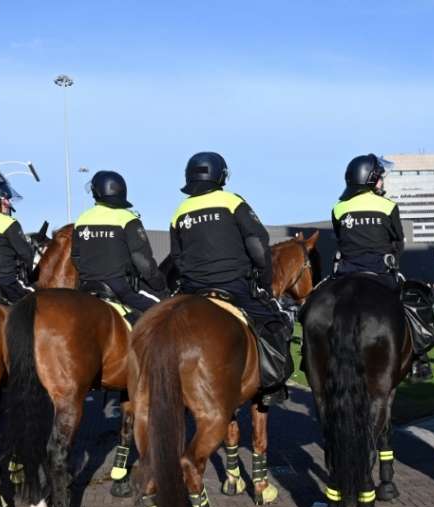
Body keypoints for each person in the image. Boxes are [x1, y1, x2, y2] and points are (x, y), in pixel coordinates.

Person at [169, 151, 292, 405]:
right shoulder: (232, 202)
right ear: (221, 174)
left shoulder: (180, 211)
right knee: (275, 323)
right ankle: (272, 386)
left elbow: (177, 257)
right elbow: (259, 243)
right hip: (234, 285)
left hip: (192, 289)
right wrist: (264, 281)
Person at [331, 153, 434, 382]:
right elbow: (399, 241)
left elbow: (341, 239)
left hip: (344, 275)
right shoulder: (388, 206)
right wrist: (393, 260)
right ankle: (419, 359)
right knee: (410, 308)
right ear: (371, 179)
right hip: (381, 273)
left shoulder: (339, 208)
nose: (382, 182)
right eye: (380, 178)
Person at [72, 170, 168, 322]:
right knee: (166, 311)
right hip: (120, 288)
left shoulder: (82, 219)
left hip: (86, 287)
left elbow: (76, 257)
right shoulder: (127, 218)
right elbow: (143, 262)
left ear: (96, 193)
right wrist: (160, 285)